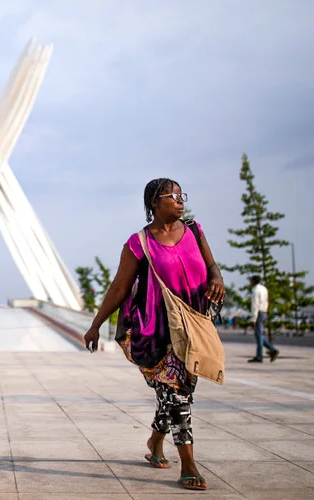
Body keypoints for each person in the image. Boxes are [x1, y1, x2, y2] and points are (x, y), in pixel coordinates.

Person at [84, 178, 225, 492]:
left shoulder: (195, 230)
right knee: (179, 394)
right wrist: (96, 324)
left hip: (193, 327)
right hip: (155, 333)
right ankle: (188, 464)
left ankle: (155, 440)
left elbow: (212, 265)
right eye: (171, 196)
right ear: (153, 204)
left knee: (174, 393)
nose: (179, 200)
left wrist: (217, 277)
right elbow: (119, 288)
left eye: (180, 194)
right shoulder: (139, 243)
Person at [248, 276, 279, 363]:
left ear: (254, 281)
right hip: (264, 312)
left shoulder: (255, 290)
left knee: (258, 335)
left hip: (258, 313)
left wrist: (253, 319)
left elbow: (255, 305)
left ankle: (259, 356)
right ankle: (272, 350)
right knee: (259, 334)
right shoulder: (264, 289)